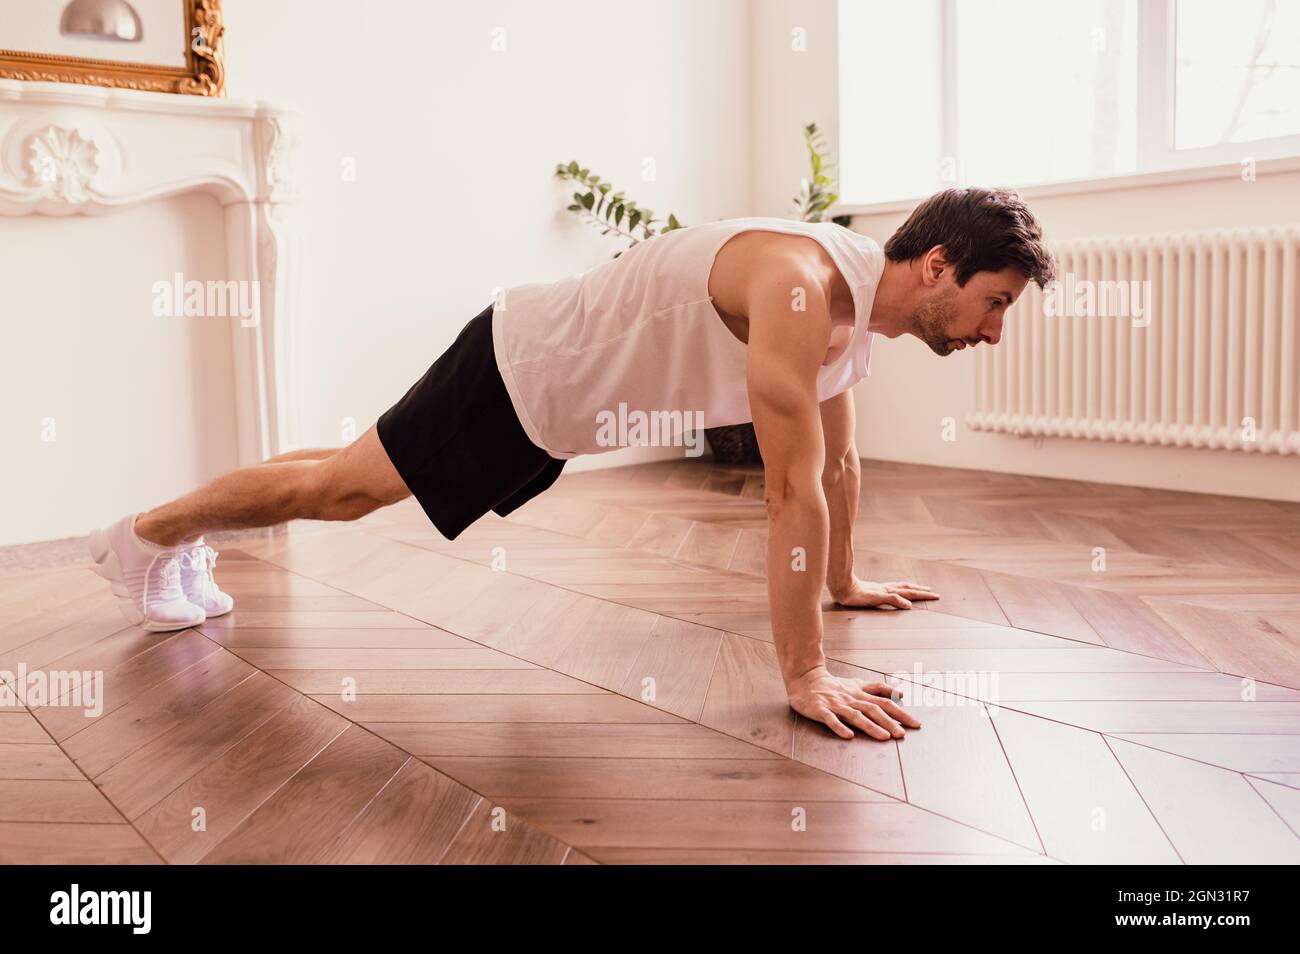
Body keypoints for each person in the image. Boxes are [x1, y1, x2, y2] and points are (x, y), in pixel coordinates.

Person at [89, 186, 1054, 741]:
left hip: (549, 405)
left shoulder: (852, 319)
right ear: (936, 266)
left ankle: (173, 532)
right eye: (996, 301)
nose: (995, 331)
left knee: (340, 472)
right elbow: (790, 488)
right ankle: (143, 537)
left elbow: (836, 471)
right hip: (520, 372)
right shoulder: (802, 287)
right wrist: (805, 675)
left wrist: (842, 581)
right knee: (340, 494)